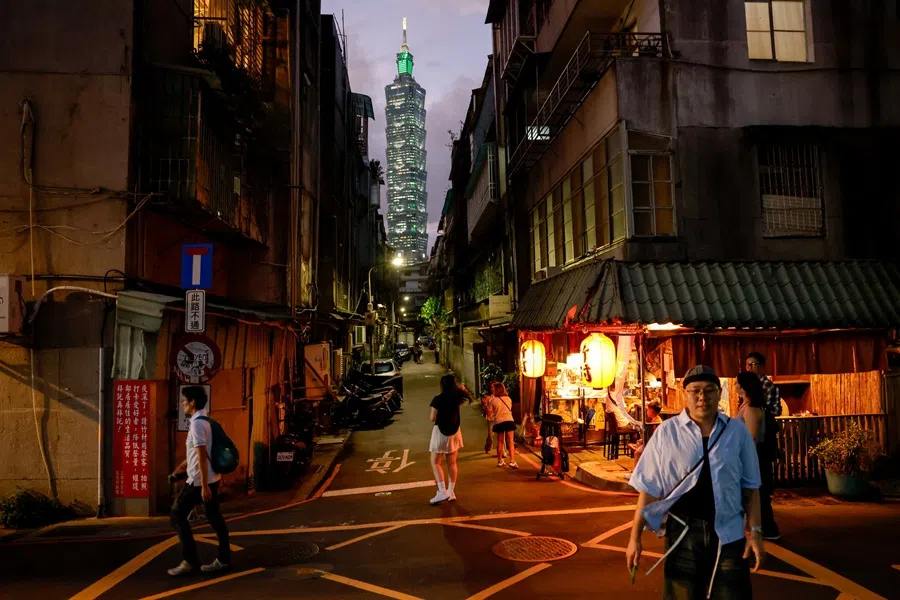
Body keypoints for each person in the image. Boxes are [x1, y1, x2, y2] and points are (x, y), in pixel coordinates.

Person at [626, 365, 765, 599]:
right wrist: (634, 538)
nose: (703, 397)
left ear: (718, 393)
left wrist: (756, 535)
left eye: (709, 390)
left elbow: (751, 488)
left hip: (730, 534)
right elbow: (648, 490)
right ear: (685, 394)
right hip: (682, 533)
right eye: (695, 390)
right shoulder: (666, 433)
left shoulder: (737, 432)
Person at [168, 386, 231, 576]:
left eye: (184, 400)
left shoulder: (197, 425)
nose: (182, 403)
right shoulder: (207, 421)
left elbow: (202, 456)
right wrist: (179, 471)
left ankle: (190, 561)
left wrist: (203, 486)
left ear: (193, 402)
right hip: (211, 477)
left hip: (199, 481)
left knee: (177, 515)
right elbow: (196, 455)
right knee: (215, 519)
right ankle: (224, 560)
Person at [736, 371, 780, 542]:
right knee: (754, 493)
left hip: (756, 457)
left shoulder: (752, 408)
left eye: (737, 383)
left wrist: (746, 460)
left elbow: (752, 437)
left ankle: (768, 528)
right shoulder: (747, 405)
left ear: (744, 386)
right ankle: (760, 527)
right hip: (753, 456)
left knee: (758, 493)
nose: (735, 386)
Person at [744, 351, 783, 541]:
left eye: (753, 364)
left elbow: (774, 411)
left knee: (760, 487)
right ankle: (759, 526)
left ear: (761, 366)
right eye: (747, 365)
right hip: (757, 446)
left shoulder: (766, 387)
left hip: (761, 446)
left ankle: (768, 527)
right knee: (756, 488)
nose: (750, 368)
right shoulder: (750, 393)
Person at [429, 374, 472, 504]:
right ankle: (451, 491)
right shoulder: (457, 398)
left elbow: (432, 418)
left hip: (440, 432)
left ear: (442, 385)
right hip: (455, 432)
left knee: (435, 462)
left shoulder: (438, 399)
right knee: (452, 463)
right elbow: (466, 395)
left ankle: (442, 491)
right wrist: (461, 389)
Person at [487, 382, 518, 469]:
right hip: (509, 420)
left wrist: (488, 405)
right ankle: (512, 461)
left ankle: (500, 461)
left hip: (499, 422)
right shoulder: (508, 399)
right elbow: (509, 409)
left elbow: (489, 413)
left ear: (496, 390)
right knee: (510, 441)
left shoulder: (493, 400)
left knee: (500, 442)